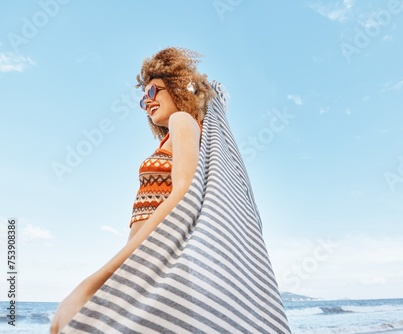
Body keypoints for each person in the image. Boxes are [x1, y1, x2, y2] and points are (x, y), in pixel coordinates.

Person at [51, 47, 290, 334]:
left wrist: (94, 281)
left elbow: (183, 192)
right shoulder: (171, 137)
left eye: (153, 92)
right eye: (143, 99)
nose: (147, 102)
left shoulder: (183, 121)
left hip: (152, 262)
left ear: (178, 89)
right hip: (146, 262)